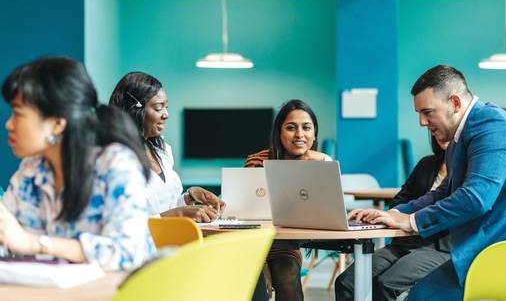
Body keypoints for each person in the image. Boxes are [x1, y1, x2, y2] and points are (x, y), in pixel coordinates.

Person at [349, 65, 506, 300]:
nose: (422, 122)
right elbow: (443, 192)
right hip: (499, 241)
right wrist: (394, 213)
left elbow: (476, 198)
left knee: (424, 296)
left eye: (428, 112)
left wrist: (411, 221)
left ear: (455, 103)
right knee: (421, 294)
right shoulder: (459, 139)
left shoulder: (491, 124)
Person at [0, 57, 155, 270]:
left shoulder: (115, 164)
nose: (8, 124)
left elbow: (128, 251)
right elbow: (8, 239)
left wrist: (35, 244)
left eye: (18, 113)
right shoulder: (31, 169)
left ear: (57, 124)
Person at [335, 135, 452, 300]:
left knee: (387, 284)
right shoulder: (427, 164)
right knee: (346, 281)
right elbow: (399, 200)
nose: (442, 134)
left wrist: (411, 220)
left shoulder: (467, 169)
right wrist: (390, 216)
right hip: (405, 241)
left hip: (439, 247)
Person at [245, 99, 332, 301]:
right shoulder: (258, 162)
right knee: (254, 284)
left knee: (288, 276)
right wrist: (261, 263)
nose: (300, 134)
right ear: (279, 132)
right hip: (253, 243)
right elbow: (247, 217)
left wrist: (324, 163)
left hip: (284, 246)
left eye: (306, 128)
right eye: (291, 127)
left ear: (315, 133)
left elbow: (328, 212)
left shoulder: (321, 163)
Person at [109, 72, 225, 222]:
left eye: (166, 107)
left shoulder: (161, 151)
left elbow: (166, 208)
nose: (166, 114)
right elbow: (124, 223)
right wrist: (180, 214)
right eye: (158, 108)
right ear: (135, 111)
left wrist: (188, 199)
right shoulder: (116, 158)